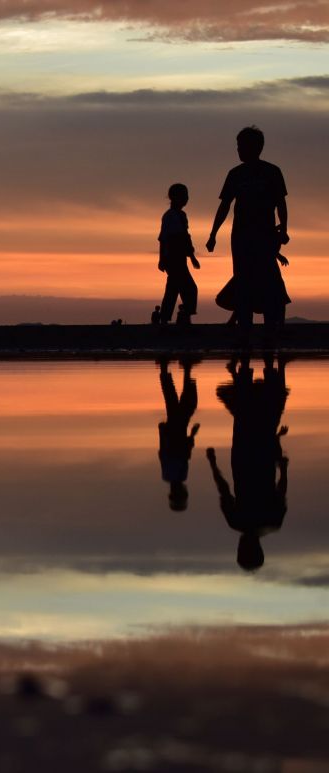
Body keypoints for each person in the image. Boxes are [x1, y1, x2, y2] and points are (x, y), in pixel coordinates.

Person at [205, 127, 290, 343]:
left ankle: (271, 328)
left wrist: (284, 229)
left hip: (265, 235)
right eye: (238, 146)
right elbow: (225, 206)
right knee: (243, 280)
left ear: (256, 147)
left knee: (269, 279)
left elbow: (281, 203)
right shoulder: (235, 174)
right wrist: (213, 234)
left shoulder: (272, 172)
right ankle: (244, 329)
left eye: (242, 146)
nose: (239, 150)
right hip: (241, 236)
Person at [206, 355, 289, 571]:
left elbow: (281, 490)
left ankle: (266, 364)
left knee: (265, 413)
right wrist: (212, 464)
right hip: (243, 458)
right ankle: (246, 364)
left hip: (261, 459)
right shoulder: (237, 522)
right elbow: (223, 490)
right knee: (246, 412)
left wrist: (283, 468)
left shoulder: (272, 522)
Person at [157, 358, 199, 511]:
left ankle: (185, 368)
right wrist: (162, 433)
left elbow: (184, 453)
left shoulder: (181, 475)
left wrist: (192, 435)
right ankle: (166, 368)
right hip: (172, 431)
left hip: (177, 431)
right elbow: (163, 453)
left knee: (187, 402)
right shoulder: (166, 476)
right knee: (173, 400)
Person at [157, 183, 200, 326]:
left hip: (179, 257)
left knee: (174, 288)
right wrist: (162, 259)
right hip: (173, 257)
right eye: (184, 196)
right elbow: (164, 239)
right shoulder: (169, 216)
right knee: (189, 288)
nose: (187, 199)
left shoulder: (181, 215)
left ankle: (168, 318)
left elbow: (185, 237)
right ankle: (181, 315)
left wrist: (192, 257)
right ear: (175, 197)